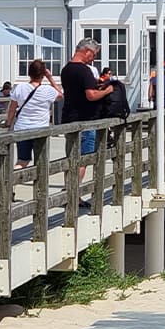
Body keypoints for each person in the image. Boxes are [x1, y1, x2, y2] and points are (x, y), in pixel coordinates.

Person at [60, 38, 114, 207]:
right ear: (87, 51)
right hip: (85, 119)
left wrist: (94, 83)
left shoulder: (66, 69)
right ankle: (73, 195)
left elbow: (77, 89)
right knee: (83, 158)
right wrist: (107, 90)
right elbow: (91, 95)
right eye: (94, 54)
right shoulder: (84, 70)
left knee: (71, 156)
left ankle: (69, 192)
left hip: (69, 117)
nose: (94, 58)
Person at [7, 59, 63, 170]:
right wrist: (50, 78)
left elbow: (12, 109)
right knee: (41, 161)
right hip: (40, 128)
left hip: (22, 128)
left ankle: (12, 179)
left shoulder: (20, 87)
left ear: (29, 73)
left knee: (22, 160)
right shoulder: (47, 90)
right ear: (43, 74)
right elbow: (61, 95)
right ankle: (40, 185)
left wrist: (8, 124)